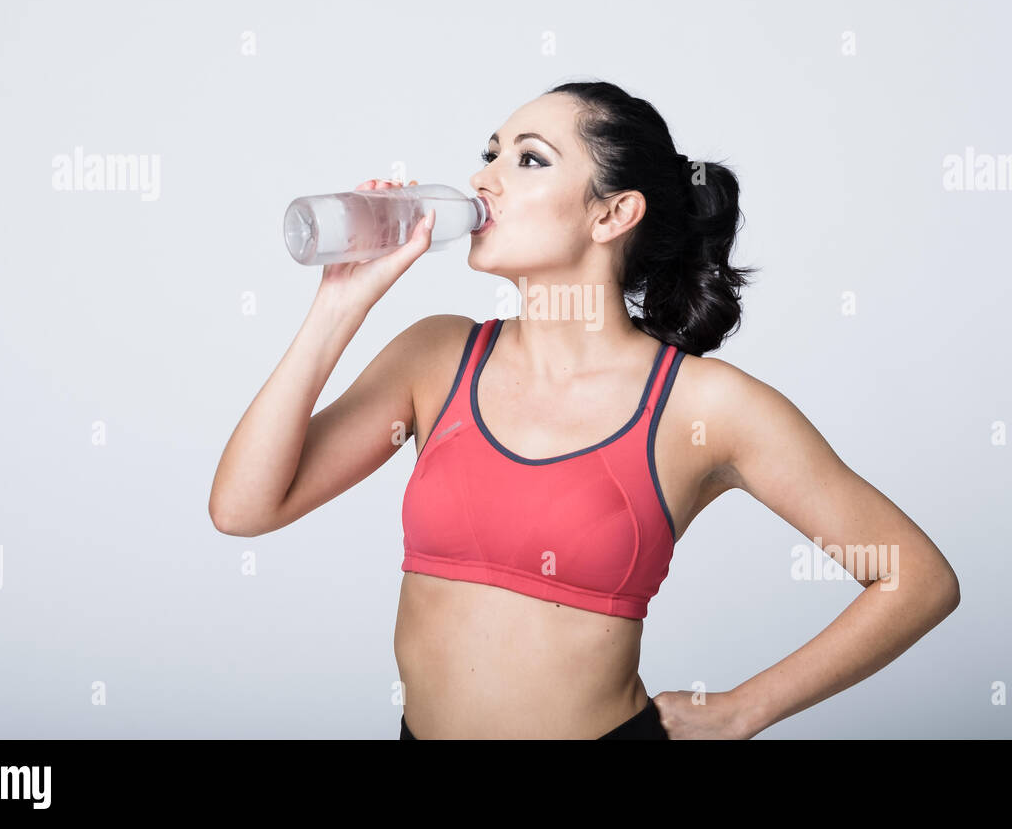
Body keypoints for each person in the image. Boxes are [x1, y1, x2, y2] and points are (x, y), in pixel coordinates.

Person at [208, 80, 961, 740]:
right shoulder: (437, 358)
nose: (484, 178)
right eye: (491, 152)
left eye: (527, 159)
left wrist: (742, 711)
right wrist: (339, 306)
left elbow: (914, 578)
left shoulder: (706, 406)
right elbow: (244, 509)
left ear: (612, 215)